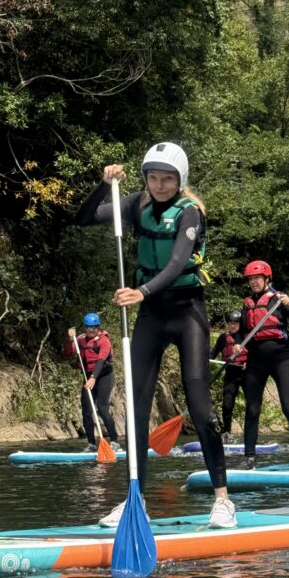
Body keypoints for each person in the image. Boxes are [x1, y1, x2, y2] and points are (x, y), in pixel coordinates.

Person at [76, 142, 235, 529]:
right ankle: (135, 502)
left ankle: (222, 500)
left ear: (180, 181)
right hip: (150, 315)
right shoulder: (136, 203)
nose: (160, 185)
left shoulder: (190, 211)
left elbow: (179, 261)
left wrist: (141, 292)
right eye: (153, 177)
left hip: (187, 311)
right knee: (137, 407)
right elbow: (83, 218)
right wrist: (103, 185)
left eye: (168, 178)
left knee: (199, 403)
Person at [237, 260, 289, 471]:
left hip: (281, 359)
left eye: (257, 278)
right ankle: (249, 458)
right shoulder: (247, 304)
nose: (253, 282)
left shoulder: (279, 300)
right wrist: (236, 345)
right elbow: (242, 332)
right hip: (255, 361)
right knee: (252, 409)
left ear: (267, 279)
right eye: (251, 279)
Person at [63, 312, 119, 451]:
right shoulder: (80, 340)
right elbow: (68, 354)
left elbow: (101, 361)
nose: (91, 330)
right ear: (85, 328)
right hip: (88, 377)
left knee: (102, 408)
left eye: (94, 327)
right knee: (86, 411)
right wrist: (71, 340)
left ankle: (115, 442)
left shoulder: (103, 340)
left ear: (98, 327)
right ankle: (92, 444)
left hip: (104, 376)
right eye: (88, 327)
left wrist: (93, 377)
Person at [209, 310, 246, 443]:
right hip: (231, 373)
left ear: (240, 324)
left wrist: (251, 363)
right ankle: (227, 434)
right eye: (230, 323)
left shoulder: (248, 336)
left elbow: (258, 354)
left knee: (252, 405)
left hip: (247, 373)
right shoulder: (223, 338)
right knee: (227, 405)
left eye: (235, 324)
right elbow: (212, 355)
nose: (232, 326)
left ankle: (250, 435)